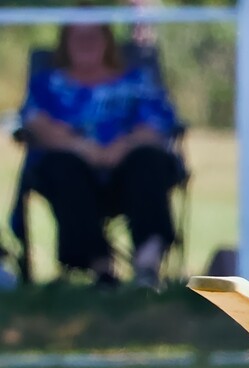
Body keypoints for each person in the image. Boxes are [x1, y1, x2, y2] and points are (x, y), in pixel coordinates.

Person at [18, 19, 181, 288]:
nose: (86, 44)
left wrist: (122, 146)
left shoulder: (137, 80)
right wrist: (82, 148)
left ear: (107, 41)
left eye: (93, 36)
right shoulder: (47, 84)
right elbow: (34, 122)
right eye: (78, 37)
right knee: (62, 166)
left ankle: (147, 263)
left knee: (148, 161)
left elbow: (159, 122)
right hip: (73, 170)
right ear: (65, 42)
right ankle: (100, 268)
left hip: (128, 165)